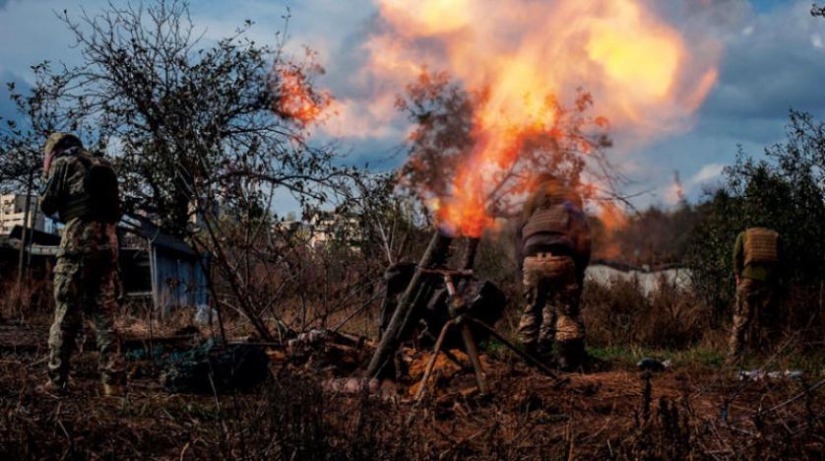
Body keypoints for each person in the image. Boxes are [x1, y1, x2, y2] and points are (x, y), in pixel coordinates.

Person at [39, 132, 124, 395]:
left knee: (65, 313)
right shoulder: (103, 164)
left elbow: (46, 205)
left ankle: (57, 381)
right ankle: (113, 385)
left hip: (77, 244)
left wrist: (46, 173)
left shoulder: (63, 163)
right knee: (104, 317)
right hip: (108, 244)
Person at [516, 174, 591, 371]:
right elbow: (583, 239)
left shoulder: (533, 207)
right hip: (561, 256)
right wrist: (579, 270)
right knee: (566, 311)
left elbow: (520, 239)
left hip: (531, 258)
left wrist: (522, 267)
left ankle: (528, 359)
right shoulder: (570, 202)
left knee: (532, 308)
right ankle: (567, 362)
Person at [728, 227, 781, 364]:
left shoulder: (744, 235)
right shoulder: (775, 236)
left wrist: (738, 274)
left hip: (748, 280)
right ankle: (770, 358)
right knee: (768, 320)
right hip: (769, 281)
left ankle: (733, 358)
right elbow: (782, 259)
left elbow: (736, 255)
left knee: (741, 319)